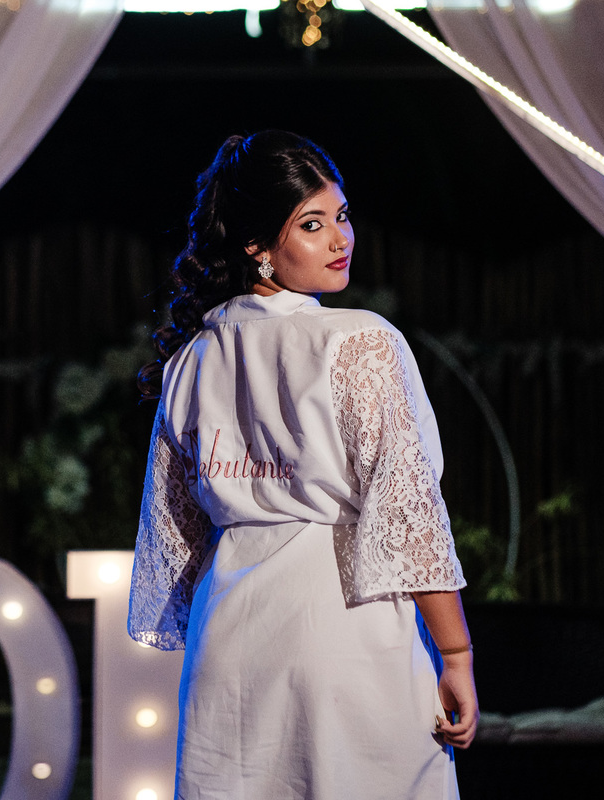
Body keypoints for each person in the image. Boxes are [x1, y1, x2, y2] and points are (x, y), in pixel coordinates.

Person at [128, 130, 478, 799]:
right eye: (312, 224)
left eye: (341, 216)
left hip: (227, 637)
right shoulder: (359, 341)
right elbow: (410, 518)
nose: (340, 239)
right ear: (256, 245)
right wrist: (456, 653)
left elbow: (177, 525)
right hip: (343, 628)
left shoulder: (190, 360)